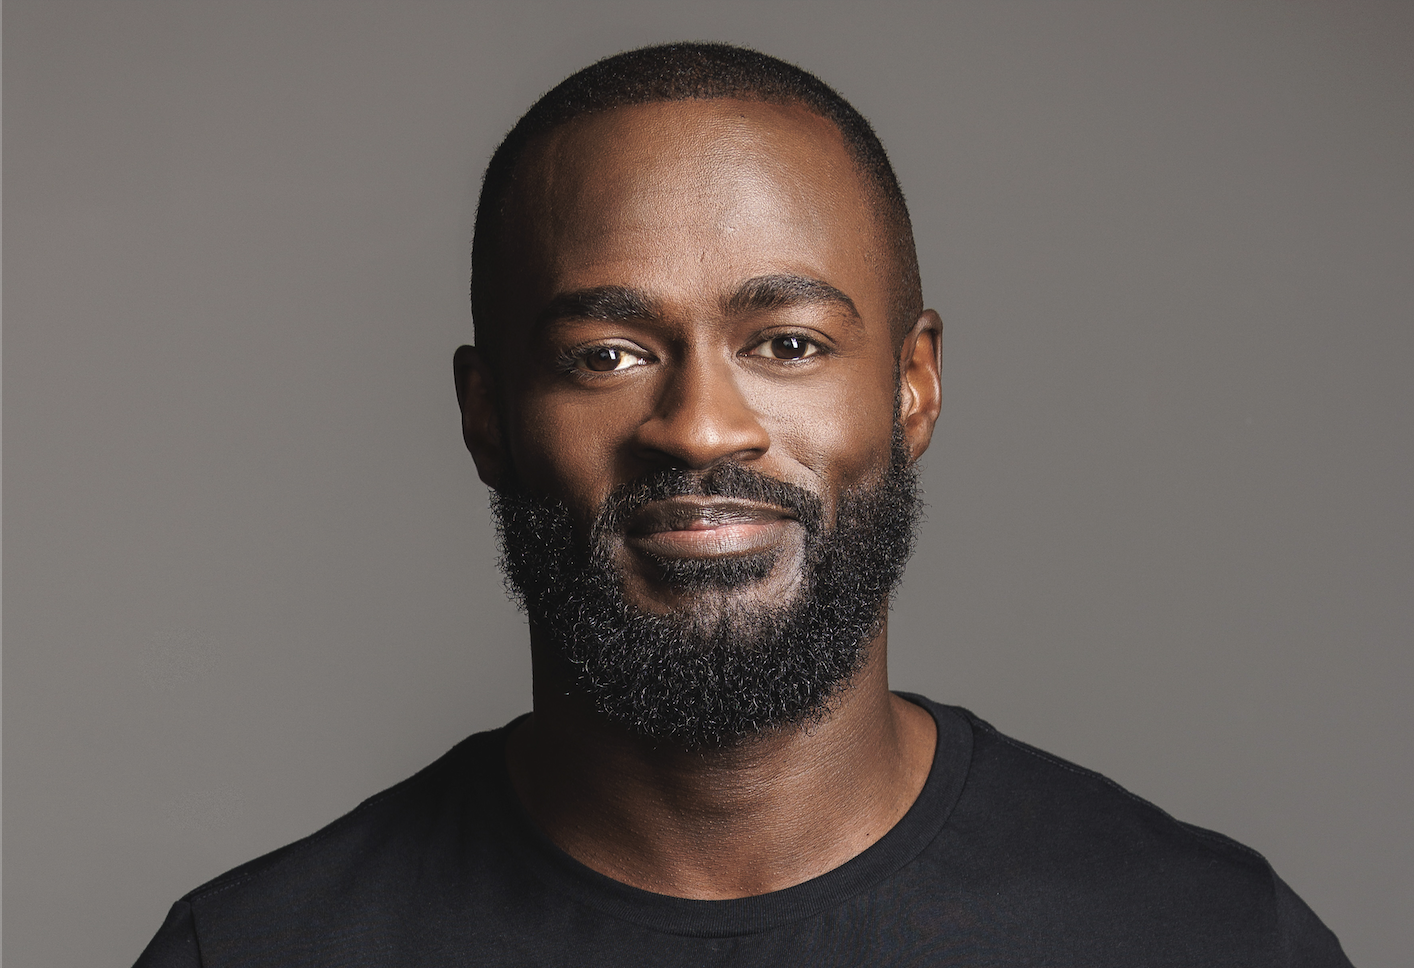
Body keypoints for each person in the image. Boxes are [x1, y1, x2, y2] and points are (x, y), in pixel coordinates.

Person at [134, 43, 1351, 967]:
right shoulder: (258, 948)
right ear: (489, 413)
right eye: (605, 354)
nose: (702, 424)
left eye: (785, 340)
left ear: (913, 385)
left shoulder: (1205, 935)